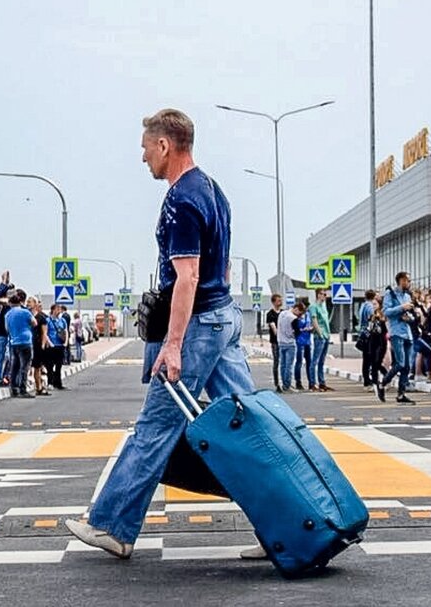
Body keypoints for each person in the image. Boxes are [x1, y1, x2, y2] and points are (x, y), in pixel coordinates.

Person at [66, 108, 254, 559]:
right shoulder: (213, 188)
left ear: (165, 146)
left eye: (146, 148)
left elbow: (187, 276)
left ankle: (112, 526)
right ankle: (286, 526)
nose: (143, 157)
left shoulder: (181, 199)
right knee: (249, 427)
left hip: (199, 326)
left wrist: (173, 344)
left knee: (154, 426)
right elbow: (222, 264)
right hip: (224, 315)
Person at [382, 271, 417, 404]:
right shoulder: (390, 294)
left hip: (407, 333)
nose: (409, 283)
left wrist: (409, 318)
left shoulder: (407, 296)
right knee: (400, 363)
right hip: (396, 333)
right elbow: (386, 312)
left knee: (407, 366)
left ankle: (401, 394)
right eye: (407, 280)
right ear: (401, 281)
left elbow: (412, 315)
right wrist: (401, 307)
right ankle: (384, 382)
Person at [5, 292, 37, 398]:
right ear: (20, 302)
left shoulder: (7, 314)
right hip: (25, 341)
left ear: (10, 303)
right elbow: (34, 323)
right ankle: (23, 389)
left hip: (14, 342)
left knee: (15, 366)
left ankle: (13, 388)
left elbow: (7, 329)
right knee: (25, 367)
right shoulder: (25, 312)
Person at [307, 289, 332, 391]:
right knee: (315, 360)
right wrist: (320, 333)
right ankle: (312, 383)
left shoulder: (324, 306)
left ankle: (322, 382)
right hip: (319, 336)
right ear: (318, 295)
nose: (325, 296)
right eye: (324, 294)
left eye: (326, 295)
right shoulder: (313, 307)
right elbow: (314, 320)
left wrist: (327, 334)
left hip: (326, 335)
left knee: (322, 361)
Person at [277, 301, 303, 393]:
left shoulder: (282, 314)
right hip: (290, 343)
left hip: (281, 342)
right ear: (296, 309)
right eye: (299, 313)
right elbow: (297, 332)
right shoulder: (293, 318)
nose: (299, 315)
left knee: (283, 365)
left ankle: (283, 384)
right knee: (289, 366)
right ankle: (287, 386)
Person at [30, 297, 51, 395]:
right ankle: (37, 386)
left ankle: (39, 387)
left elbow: (44, 332)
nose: (28, 304)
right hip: (28, 343)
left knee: (37, 367)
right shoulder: (27, 315)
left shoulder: (41, 317)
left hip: (37, 344)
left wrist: (42, 344)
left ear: (35, 304)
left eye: (30, 302)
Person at [45, 303, 68, 390]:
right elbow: (45, 333)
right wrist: (50, 343)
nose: (59, 310)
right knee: (50, 366)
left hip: (60, 345)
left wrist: (66, 342)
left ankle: (58, 383)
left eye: (60, 309)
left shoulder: (62, 320)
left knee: (59, 365)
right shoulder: (48, 320)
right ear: (53, 310)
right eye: (57, 309)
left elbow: (66, 331)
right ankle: (50, 382)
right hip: (52, 345)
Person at [358, 290, 378, 387]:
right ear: (373, 296)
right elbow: (371, 318)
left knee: (366, 358)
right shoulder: (370, 306)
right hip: (368, 334)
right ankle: (368, 380)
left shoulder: (363, 305)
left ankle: (366, 379)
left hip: (363, 333)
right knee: (369, 357)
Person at [292, 296, 312, 391]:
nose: (305, 309)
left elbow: (311, 325)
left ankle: (311, 382)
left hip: (308, 340)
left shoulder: (308, 315)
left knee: (309, 362)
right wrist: (301, 329)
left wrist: (310, 328)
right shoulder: (296, 316)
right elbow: (294, 328)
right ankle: (298, 382)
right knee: (299, 362)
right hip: (299, 341)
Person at [266, 293, 283, 387]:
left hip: (284, 341)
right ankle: (277, 383)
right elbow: (273, 327)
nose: (280, 302)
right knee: (276, 361)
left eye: (281, 300)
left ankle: (285, 381)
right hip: (275, 341)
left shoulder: (283, 312)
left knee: (284, 362)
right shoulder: (270, 314)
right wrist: (279, 334)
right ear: (273, 302)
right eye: (278, 300)